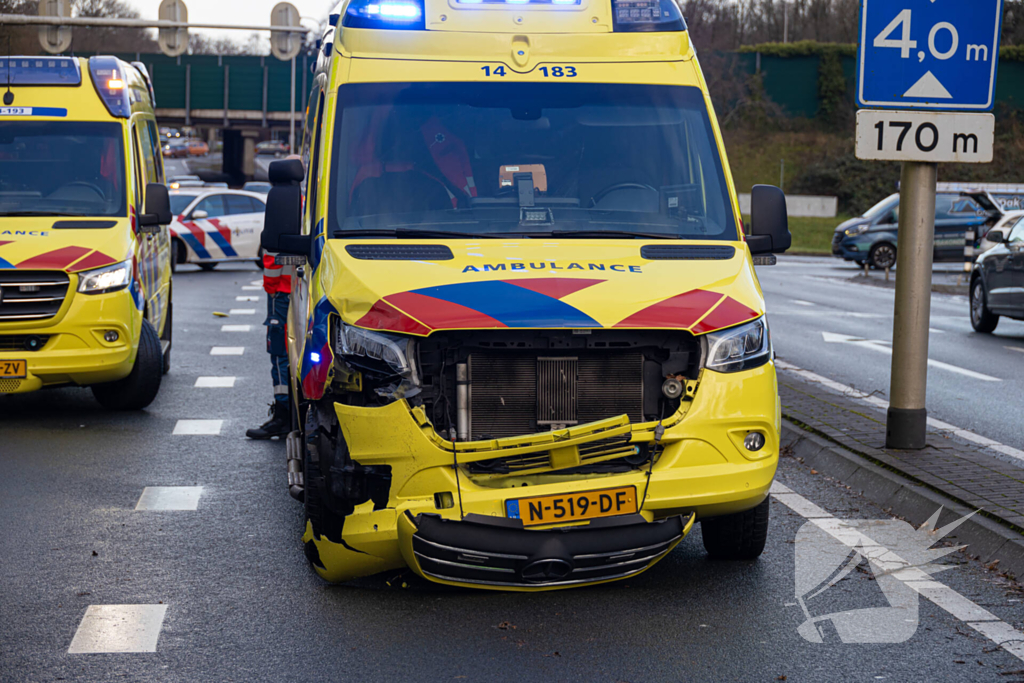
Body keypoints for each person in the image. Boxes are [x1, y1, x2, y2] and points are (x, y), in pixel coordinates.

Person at [246, 251, 292, 439]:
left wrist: (271, 287)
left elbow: (273, 253)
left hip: (282, 290)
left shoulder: (282, 219)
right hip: (309, 284)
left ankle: (283, 415)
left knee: (280, 351)